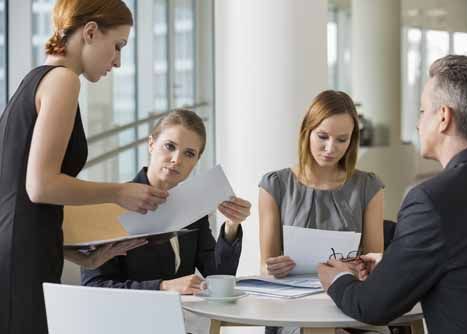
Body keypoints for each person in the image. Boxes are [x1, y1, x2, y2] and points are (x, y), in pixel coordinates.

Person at [0, 1, 168, 334]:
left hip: (21, 252)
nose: (118, 61)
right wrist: (119, 192)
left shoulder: (32, 82)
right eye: (117, 46)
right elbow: (40, 186)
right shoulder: (63, 81)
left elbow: (18, 197)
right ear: (90, 32)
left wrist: (80, 257)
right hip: (22, 262)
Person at [317, 55, 467, 334]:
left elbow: (372, 307)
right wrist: (396, 261)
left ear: (443, 118)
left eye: (422, 111)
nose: (418, 123)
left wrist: (337, 278)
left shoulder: (431, 200)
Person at [81, 109, 251, 294]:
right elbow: (94, 286)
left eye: (189, 153)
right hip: (128, 319)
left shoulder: (192, 206)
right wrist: (163, 287)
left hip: (184, 318)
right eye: (169, 146)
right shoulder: (111, 206)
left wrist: (231, 226)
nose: (177, 160)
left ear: (197, 160)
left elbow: (218, 275)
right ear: (151, 144)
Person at [259, 90, 385, 334]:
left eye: (342, 139)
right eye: (322, 136)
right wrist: (273, 268)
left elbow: (375, 263)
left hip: (351, 304)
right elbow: (266, 266)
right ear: (307, 132)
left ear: (352, 140)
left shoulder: (369, 187)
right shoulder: (275, 185)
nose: (330, 148)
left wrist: (363, 269)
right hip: (295, 308)